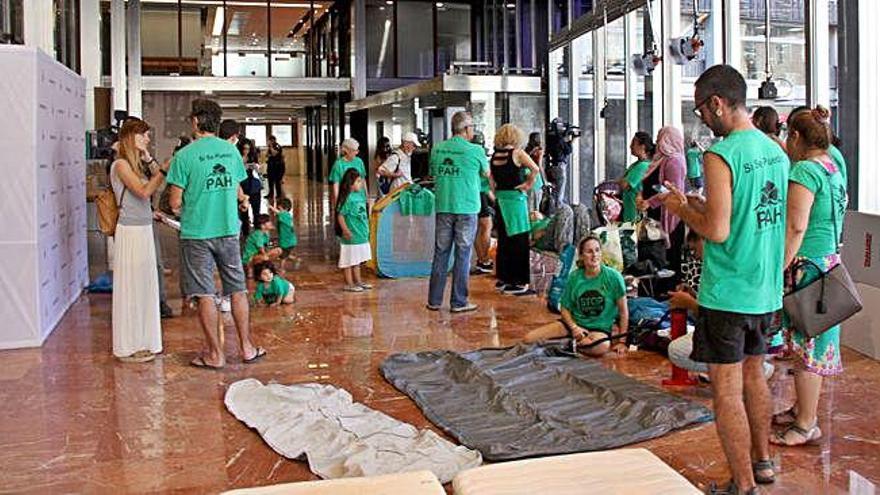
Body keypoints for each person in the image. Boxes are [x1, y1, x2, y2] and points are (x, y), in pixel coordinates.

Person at [661, 65, 789, 494]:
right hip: (766, 290)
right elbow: (750, 214)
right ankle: (763, 462)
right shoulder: (775, 150)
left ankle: (745, 484)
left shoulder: (722, 154)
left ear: (717, 103)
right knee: (756, 376)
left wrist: (681, 208)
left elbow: (716, 231)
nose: (703, 120)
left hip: (729, 293)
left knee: (728, 392)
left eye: (701, 110)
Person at [769, 106, 847, 447]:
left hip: (808, 268)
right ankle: (802, 409)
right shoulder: (834, 164)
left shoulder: (804, 170)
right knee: (810, 343)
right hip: (828, 262)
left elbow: (796, 225)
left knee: (806, 349)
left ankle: (805, 424)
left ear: (797, 137)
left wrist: (780, 266)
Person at [167, 98, 265, 369]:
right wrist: (240, 200)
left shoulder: (183, 156)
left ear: (196, 121)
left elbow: (175, 203)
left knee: (205, 293)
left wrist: (190, 207)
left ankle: (215, 354)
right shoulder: (230, 151)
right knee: (238, 289)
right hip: (229, 230)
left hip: (197, 234)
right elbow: (235, 187)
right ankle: (246, 348)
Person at [667, 231, 775, 380]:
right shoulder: (741, 258)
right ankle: (746, 368)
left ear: (704, 240)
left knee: (676, 351)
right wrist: (695, 298)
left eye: (694, 249)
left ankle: (751, 369)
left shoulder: (721, 268)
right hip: (757, 331)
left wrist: (690, 304)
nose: (696, 256)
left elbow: (723, 318)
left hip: (745, 335)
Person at [110, 118, 168, 363]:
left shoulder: (136, 164)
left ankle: (145, 339)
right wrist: (163, 169)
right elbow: (144, 191)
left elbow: (158, 181)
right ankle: (129, 343)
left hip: (143, 228)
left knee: (145, 286)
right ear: (131, 137)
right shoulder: (120, 165)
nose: (147, 139)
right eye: (143, 135)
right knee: (132, 287)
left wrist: (149, 158)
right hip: (130, 232)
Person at [523, 235, 629, 357]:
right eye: (589, 252)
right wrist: (574, 328)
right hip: (573, 324)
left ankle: (565, 346)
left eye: (597, 250)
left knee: (602, 347)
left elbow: (623, 312)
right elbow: (564, 308)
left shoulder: (614, 277)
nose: (594, 255)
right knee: (528, 339)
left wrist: (622, 342)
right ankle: (569, 346)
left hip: (598, 330)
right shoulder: (574, 277)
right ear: (582, 256)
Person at [427, 111, 488, 313]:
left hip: (444, 206)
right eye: (472, 128)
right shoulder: (476, 150)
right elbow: (486, 174)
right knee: (463, 254)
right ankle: (459, 302)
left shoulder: (438, 149)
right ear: (466, 129)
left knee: (441, 252)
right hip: (467, 207)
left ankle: (434, 301)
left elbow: (434, 172)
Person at [490, 124, 540, 295]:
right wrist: (528, 184)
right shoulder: (518, 153)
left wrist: (496, 193)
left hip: (501, 201)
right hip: (516, 200)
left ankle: (504, 278)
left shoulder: (496, 155)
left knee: (504, 239)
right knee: (519, 239)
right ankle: (519, 282)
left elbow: (491, 181)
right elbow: (535, 168)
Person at [639, 126, 687, 278]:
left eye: (661, 138)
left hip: (668, 218)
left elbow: (672, 191)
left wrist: (650, 202)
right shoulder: (660, 160)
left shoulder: (674, 161)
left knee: (667, 261)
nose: (658, 142)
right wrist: (641, 197)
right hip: (654, 217)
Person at [334, 168, 372, 292]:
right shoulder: (347, 199)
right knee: (349, 260)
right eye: (358, 181)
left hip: (361, 234)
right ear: (350, 184)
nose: (361, 184)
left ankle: (359, 281)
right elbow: (340, 215)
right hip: (351, 236)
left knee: (357, 260)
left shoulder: (359, 196)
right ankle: (349, 284)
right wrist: (345, 230)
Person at [619, 132, 654, 223]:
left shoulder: (643, 166)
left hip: (635, 215)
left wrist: (619, 182)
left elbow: (624, 184)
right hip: (629, 212)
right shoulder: (636, 165)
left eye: (633, 143)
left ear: (642, 147)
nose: (630, 146)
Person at [329, 138, 367, 211]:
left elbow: (363, 180)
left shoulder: (359, 162)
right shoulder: (338, 164)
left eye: (357, 150)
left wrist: (366, 197)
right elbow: (336, 185)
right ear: (346, 150)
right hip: (346, 199)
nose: (357, 153)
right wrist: (338, 202)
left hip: (360, 198)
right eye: (354, 150)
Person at [238, 139, 263, 234]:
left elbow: (259, 172)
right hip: (243, 187)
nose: (246, 151)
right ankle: (245, 232)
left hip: (254, 186)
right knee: (244, 212)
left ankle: (257, 232)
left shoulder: (253, 157)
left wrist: (256, 167)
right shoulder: (237, 157)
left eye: (248, 149)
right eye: (244, 149)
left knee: (256, 212)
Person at [269, 198, 298, 269]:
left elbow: (280, 213)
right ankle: (296, 260)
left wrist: (271, 208)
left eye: (280, 208)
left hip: (287, 241)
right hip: (288, 240)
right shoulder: (286, 216)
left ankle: (281, 268)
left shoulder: (285, 215)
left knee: (283, 255)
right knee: (285, 254)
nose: (279, 210)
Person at [524, 132, 546, 211]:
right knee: (536, 206)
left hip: (526, 177)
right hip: (536, 178)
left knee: (528, 205)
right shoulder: (539, 150)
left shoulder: (526, 150)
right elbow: (540, 166)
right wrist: (545, 182)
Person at [266, 135, 285, 199]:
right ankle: (270, 194)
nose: (268, 142)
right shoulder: (270, 147)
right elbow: (267, 155)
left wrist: (271, 147)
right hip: (271, 166)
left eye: (269, 140)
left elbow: (274, 153)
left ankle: (279, 194)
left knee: (277, 181)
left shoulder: (277, 146)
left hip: (278, 166)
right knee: (270, 181)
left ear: (272, 140)